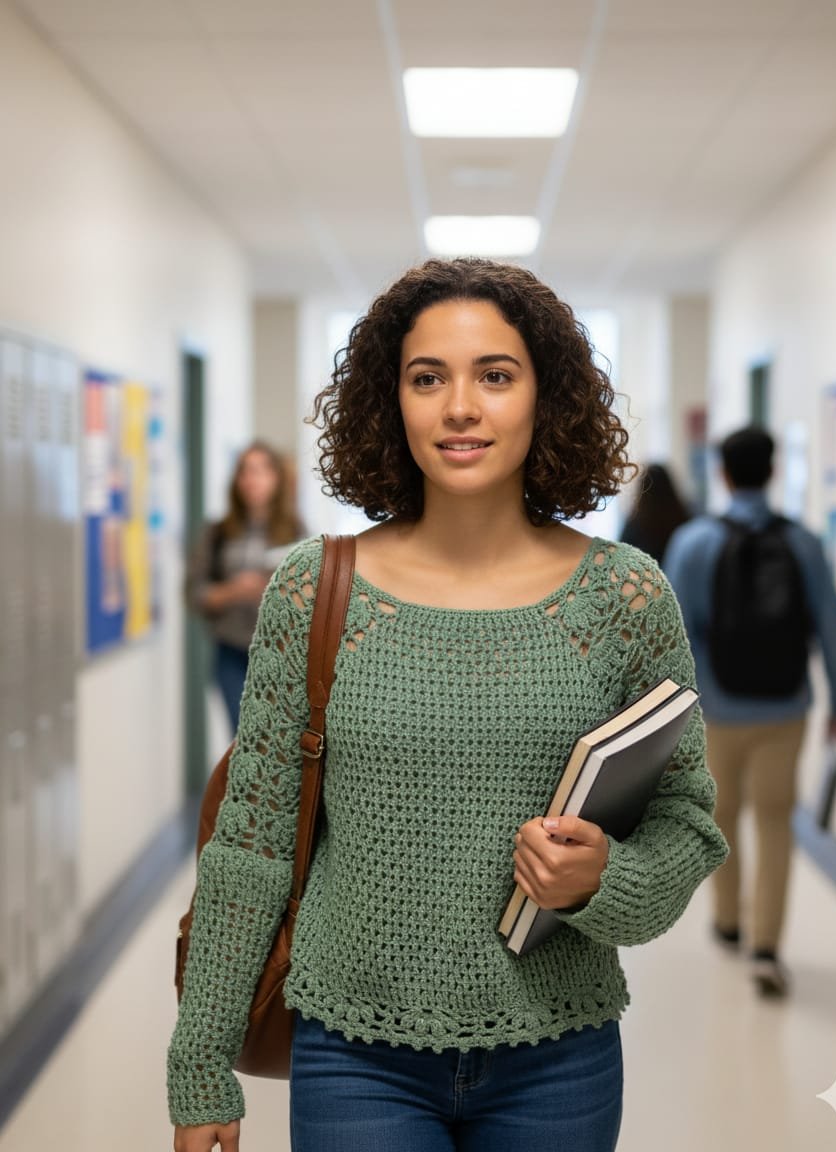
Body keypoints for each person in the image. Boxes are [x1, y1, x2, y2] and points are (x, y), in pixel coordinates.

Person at [168, 258, 728, 1152]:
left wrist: (603, 881)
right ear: (390, 403)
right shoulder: (314, 589)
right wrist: (200, 1061)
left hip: (560, 1053)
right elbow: (251, 844)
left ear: (546, 399)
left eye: (495, 376)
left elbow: (687, 824)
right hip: (353, 1051)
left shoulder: (625, 597)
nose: (460, 407)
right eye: (427, 379)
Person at [664, 426, 836, 997]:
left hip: (715, 711)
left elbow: (671, 637)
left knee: (720, 818)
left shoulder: (694, 542)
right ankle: (767, 944)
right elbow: (831, 629)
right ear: (772, 472)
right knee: (775, 822)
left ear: (723, 474)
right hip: (784, 709)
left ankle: (728, 922)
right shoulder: (804, 543)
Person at [187, 440, 304, 733]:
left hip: (281, 655)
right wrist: (233, 591)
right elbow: (193, 594)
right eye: (246, 471)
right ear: (237, 480)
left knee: (276, 738)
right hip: (231, 650)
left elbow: (310, 598)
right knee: (241, 735)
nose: (253, 480)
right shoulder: (217, 533)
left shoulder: (297, 532)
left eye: (262, 471)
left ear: (277, 478)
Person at [619, 462, 692, 566]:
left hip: (643, 575)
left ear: (642, 489)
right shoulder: (682, 517)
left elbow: (621, 555)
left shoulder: (634, 524)